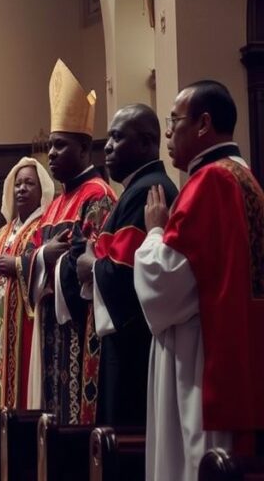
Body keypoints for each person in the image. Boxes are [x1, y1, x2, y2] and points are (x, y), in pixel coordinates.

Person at [135, 81, 264, 480]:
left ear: (204, 123)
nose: (169, 134)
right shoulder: (246, 179)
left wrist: (154, 232)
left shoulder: (208, 184)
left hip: (197, 361)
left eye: (175, 121)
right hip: (233, 358)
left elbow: (164, 288)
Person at [74, 104, 177, 427]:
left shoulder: (148, 189)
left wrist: (90, 264)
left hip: (133, 348)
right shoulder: (135, 189)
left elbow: (126, 274)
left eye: (118, 138)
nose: (107, 146)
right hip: (125, 345)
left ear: (147, 143)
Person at [25, 59, 116, 424]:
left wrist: (51, 262)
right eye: (49, 145)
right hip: (50, 330)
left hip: (80, 332)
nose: (51, 154)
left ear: (84, 148)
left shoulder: (99, 197)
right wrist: (44, 256)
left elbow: (88, 267)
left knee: (75, 418)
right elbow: (31, 253)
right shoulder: (55, 205)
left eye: (60, 146)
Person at [0, 158, 53, 410]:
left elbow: (47, 266)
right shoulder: (0, 235)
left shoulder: (44, 229)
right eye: (17, 184)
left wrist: (17, 265)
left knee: (23, 399)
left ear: (41, 191)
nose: (21, 189)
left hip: (27, 332)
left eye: (29, 183)